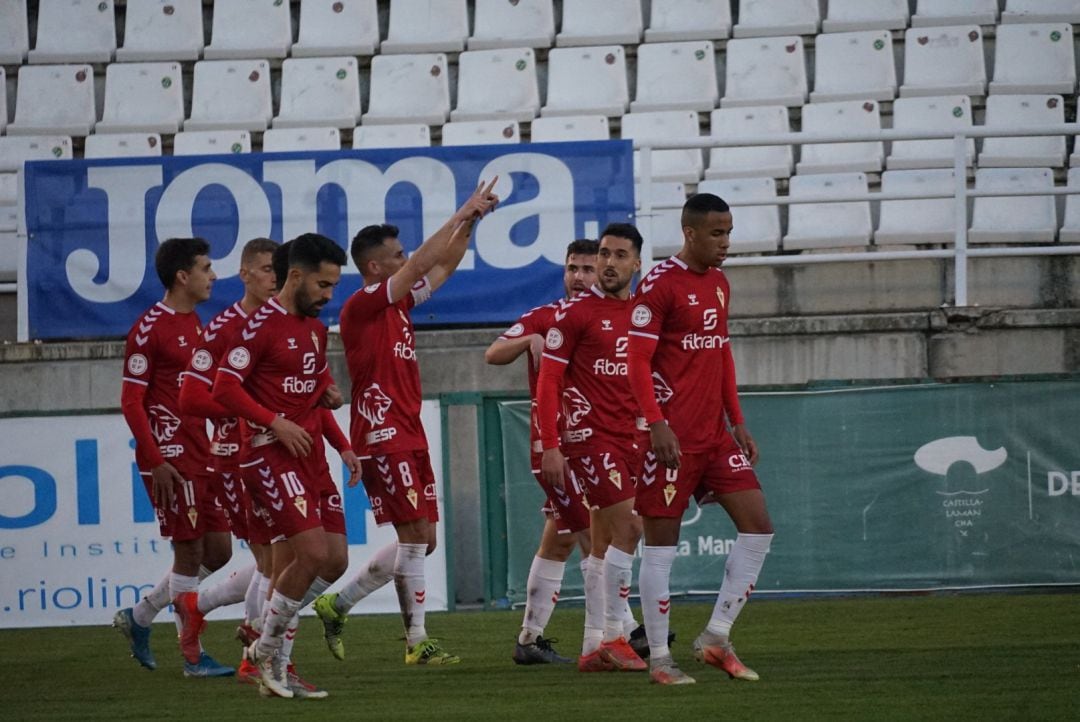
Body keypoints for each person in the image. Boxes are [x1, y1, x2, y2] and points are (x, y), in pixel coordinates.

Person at [313, 180, 499, 666]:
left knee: (425, 540)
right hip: (382, 434)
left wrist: (471, 222)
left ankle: (339, 602)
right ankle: (417, 640)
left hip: (409, 431)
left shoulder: (398, 306)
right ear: (375, 267)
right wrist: (461, 208)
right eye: (396, 255)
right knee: (416, 537)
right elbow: (422, 263)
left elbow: (445, 263)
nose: (406, 259)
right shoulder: (362, 305)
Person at [627, 193, 774, 685]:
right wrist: (656, 423)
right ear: (690, 233)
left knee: (758, 527)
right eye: (717, 233)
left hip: (715, 437)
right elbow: (636, 362)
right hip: (671, 439)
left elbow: (721, 354)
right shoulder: (660, 285)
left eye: (729, 232)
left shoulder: (718, 283)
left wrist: (738, 420)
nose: (725, 242)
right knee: (660, 549)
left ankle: (715, 636)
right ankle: (661, 662)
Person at [212, 233, 353, 698]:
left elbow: (310, 390)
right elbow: (224, 389)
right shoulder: (255, 328)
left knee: (333, 561)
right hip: (268, 452)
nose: (330, 295)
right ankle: (264, 653)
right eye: (324, 285)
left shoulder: (314, 329)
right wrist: (274, 421)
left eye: (334, 286)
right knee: (307, 555)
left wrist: (340, 438)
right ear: (295, 276)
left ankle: (275, 661)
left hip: (309, 453)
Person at [113, 237, 234, 678]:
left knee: (218, 551)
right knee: (189, 552)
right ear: (183, 276)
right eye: (206, 267)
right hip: (169, 457)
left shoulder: (197, 323)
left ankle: (141, 616)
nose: (213, 276)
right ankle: (192, 657)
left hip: (199, 452)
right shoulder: (149, 328)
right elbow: (131, 401)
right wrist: (155, 458)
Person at [537, 224, 647, 673]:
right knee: (632, 528)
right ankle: (618, 635)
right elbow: (548, 381)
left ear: (636, 263)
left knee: (600, 545)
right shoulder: (575, 313)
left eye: (620, 255)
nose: (608, 263)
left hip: (631, 438)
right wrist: (550, 445)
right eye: (604, 254)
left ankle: (592, 647)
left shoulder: (642, 313)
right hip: (589, 439)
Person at [484, 240, 598, 665]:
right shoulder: (546, 317)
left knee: (561, 541)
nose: (580, 276)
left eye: (588, 267)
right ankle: (618, 633)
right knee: (594, 535)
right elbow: (493, 353)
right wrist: (531, 338)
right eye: (573, 268)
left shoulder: (612, 317)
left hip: (597, 441)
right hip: (557, 445)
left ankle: (530, 638)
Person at [176, 238, 283, 683]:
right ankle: (253, 658)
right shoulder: (222, 328)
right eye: (264, 269)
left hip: (274, 450)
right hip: (235, 456)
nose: (273, 277)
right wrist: (247, 409)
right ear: (245, 274)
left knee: (275, 560)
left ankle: (197, 606)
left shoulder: (283, 322)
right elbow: (189, 396)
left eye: (278, 270)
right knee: (275, 560)